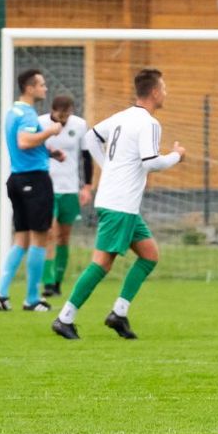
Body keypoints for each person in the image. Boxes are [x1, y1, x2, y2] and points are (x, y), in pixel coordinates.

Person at [52, 69, 184, 340]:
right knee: (101, 263)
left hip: (122, 203)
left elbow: (90, 138)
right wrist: (175, 156)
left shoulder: (122, 117)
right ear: (155, 92)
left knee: (149, 256)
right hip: (120, 204)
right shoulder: (148, 123)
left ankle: (119, 314)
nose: (166, 93)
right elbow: (150, 161)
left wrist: (108, 168)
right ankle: (64, 318)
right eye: (165, 88)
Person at [0, 70, 63, 312]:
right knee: (41, 237)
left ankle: (1, 293)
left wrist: (49, 151)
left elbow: (23, 144)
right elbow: (24, 141)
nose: (45, 88)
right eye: (41, 85)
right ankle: (32, 299)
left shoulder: (13, 111)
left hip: (17, 179)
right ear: (30, 88)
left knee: (21, 239)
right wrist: (51, 131)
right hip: (34, 179)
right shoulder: (29, 115)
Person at [38, 95, 94, 298]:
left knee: (63, 237)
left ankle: (58, 281)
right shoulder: (40, 123)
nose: (63, 119)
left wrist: (87, 187)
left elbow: (86, 157)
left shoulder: (79, 125)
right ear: (52, 111)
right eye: (60, 115)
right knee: (49, 235)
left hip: (70, 189)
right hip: (46, 187)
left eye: (67, 115)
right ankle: (48, 282)